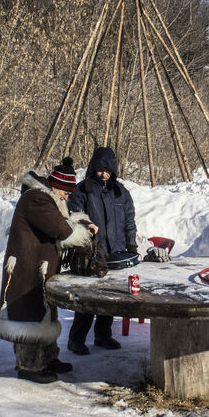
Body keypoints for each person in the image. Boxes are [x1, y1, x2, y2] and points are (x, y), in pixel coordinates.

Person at [0, 157, 96, 384]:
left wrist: (83, 224)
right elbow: (61, 228)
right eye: (66, 193)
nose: (68, 198)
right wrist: (82, 232)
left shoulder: (47, 199)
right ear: (57, 187)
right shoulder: (37, 199)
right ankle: (29, 365)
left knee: (43, 314)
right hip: (27, 270)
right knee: (28, 318)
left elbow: (64, 220)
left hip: (38, 268)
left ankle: (48, 359)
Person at [66, 147, 137, 355]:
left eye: (107, 170)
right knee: (88, 298)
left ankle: (103, 335)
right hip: (91, 253)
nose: (103, 173)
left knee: (109, 298)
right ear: (93, 168)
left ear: (113, 170)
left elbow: (129, 222)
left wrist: (131, 246)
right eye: (100, 169)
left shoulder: (121, 192)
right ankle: (76, 339)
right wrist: (86, 233)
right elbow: (75, 217)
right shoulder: (83, 190)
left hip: (115, 251)